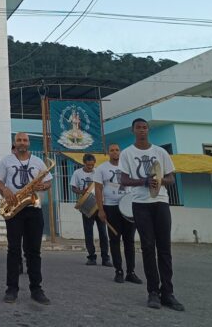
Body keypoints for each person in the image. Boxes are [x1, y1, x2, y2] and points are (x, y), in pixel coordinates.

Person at [120, 119, 185, 311]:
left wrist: (159, 180)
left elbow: (171, 178)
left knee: (164, 248)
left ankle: (168, 293)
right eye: (138, 128)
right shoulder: (127, 153)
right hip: (140, 204)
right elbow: (124, 180)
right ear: (133, 130)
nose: (142, 130)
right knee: (148, 247)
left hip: (161, 202)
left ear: (148, 129)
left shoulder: (160, 152)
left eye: (144, 127)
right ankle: (153, 292)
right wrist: (143, 182)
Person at [0, 132, 52, 305]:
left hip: (34, 208)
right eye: (19, 140)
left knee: (34, 251)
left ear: (28, 143)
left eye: (25, 140)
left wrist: (44, 185)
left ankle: (36, 289)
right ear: (15, 143)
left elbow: (49, 182)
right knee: (13, 250)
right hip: (14, 209)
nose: (22, 142)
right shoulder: (6, 161)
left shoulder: (38, 162)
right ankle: (11, 289)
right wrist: (5, 190)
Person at [94, 143, 142, 285]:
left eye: (117, 150)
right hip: (111, 208)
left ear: (120, 152)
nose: (115, 152)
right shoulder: (101, 168)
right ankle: (119, 271)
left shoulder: (128, 167)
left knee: (129, 241)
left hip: (128, 208)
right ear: (108, 153)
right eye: (112, 150)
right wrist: (101, 210)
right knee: (114, 240)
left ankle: (131, 272)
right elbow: (98, 189)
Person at [71, 153, 111, 266]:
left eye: (92, 165)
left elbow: (103, 186)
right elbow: (73, 188)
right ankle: (91, 257)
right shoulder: (77, 173)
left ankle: (105, 258)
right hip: (86, 206)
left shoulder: (98, 172)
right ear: (84, 163)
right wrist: (82, 192)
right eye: (88, 165)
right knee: (88, 232)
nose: (90, 167)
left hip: (99, 206)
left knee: (103, 233)